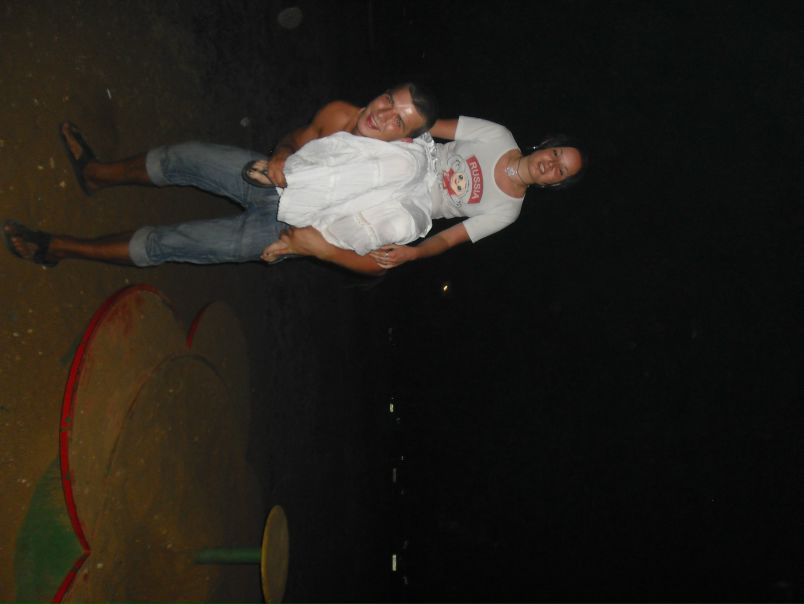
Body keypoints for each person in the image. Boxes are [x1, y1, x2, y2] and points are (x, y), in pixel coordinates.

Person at [3, 82, 438, 275]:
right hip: (272, 181)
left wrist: (320, 249)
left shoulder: (396, 185)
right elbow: (294, 139)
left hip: (286, 233)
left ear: (405, 140)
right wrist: (282, 155)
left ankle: (56, 248)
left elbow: (376, 265)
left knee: (167, 242)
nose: (382, 115)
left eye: (398, 121)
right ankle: (96, 174)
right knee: (180, 158)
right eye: (388, 100)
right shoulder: (340, 114)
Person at [261, 116, 586, 269]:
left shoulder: (507, 210)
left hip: (416, 206)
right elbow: (429, 125)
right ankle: (290, 175)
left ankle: (305, 241)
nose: (551, 164)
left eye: (560, 170)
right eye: (556, 154)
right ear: (546, 146)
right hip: (416, 163)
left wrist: (413, 254)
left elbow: (449, 239)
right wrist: (392, 127)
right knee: (399, 166)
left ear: (553, 184)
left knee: (399, 228)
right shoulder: (498, 136)